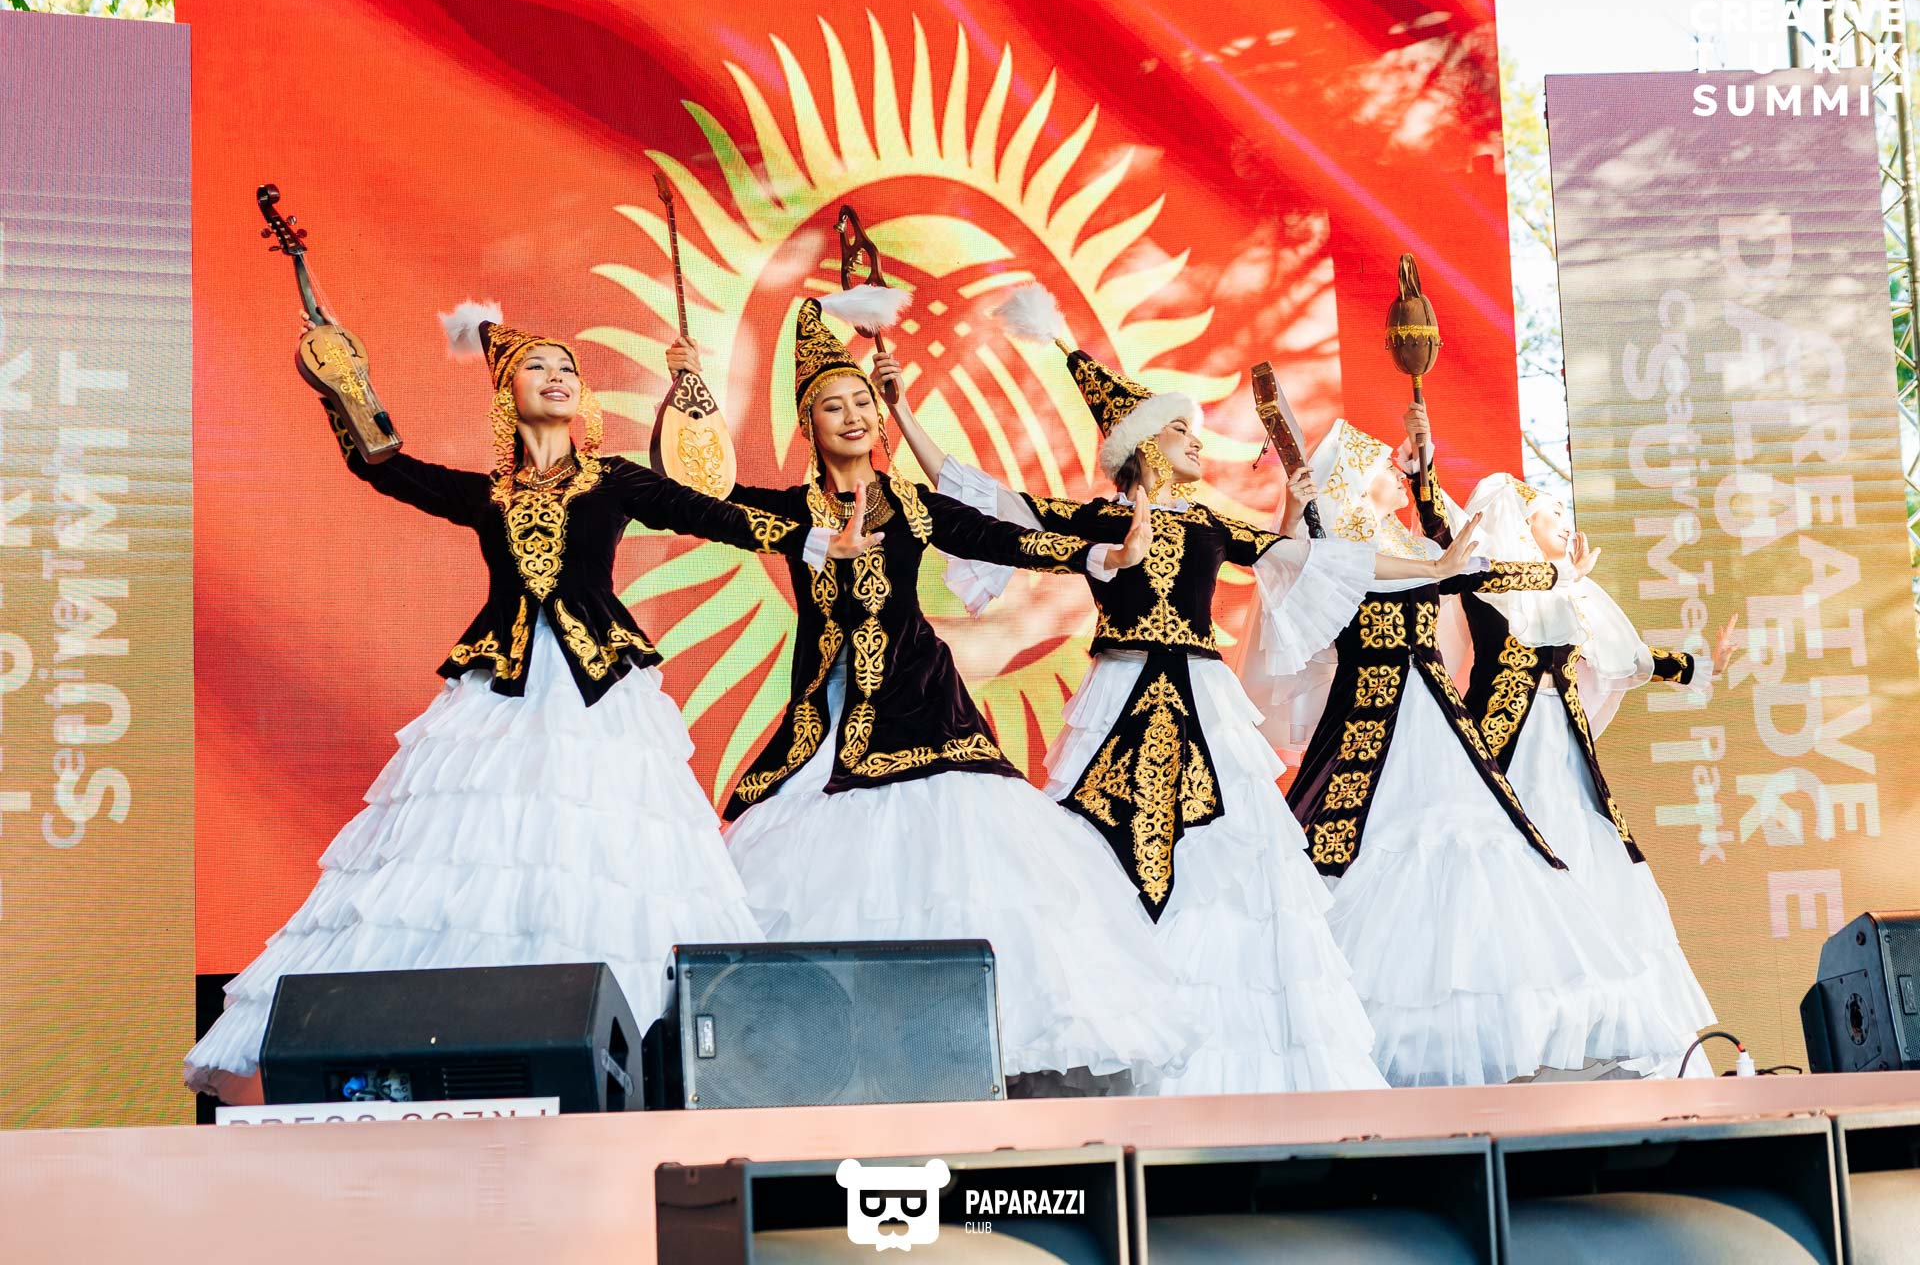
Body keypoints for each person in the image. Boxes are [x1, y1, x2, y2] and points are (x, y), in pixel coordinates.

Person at [184, 306, 853, 1102]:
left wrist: (814, 538)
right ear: (508, 395)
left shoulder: (614, 479)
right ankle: (470, 1048)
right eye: (540, 367)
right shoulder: (488, 495)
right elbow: (386, 466)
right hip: (498, 691)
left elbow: (710, 514)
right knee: (478, 853)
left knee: (600, 853)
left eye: (568, 368)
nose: (559, 377)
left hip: (597, 692)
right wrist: (345, 384)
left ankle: (638, 1061)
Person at [889, 284, 1478, 1093]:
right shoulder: (1098, 523)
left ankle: (1227, 1070)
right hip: (1121, 694)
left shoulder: (1209, 526)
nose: (1197, 442)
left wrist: (1434, 568)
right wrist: (900, 412)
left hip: (1203, 699)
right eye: (1179, 431)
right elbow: (982, 498)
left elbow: (1317, 560)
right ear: (1143, 447)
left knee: (1233, 865)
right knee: (1099, 856)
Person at [679, 293, 1200, 1096]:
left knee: (954, 866)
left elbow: (1005, 538)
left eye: (861, 403)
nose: (853, 416)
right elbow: (697, 492)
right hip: (825, 721)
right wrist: (689, 393)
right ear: (808, 424)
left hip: (923, 703)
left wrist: (1101, 556)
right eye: (832, 406)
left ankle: (951, 1054)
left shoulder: (912, 505)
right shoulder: (791, 511)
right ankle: (840, 1069)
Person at [1240, 412, 1689, 1087]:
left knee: (1479, 846)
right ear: (1352, 480)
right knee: (1374, 852)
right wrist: (1295, 512)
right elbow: (1297, 567)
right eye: (1377, 465)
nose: (1390, 471)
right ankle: (1360, 1039)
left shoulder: (1404, 543)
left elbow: (1474, 569)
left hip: (1435, 713)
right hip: (1369, 718)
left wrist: (1553, 576)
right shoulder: (1339, 548)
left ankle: (1497, 1034)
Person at [1456, 470, 1735, 1077]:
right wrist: (1420, 471)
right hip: (1503, 748)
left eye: (1565, 513)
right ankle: (1523, 1035)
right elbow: (1449, 541)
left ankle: (1594, 1034)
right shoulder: (1489, 582)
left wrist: (1698, 665)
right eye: (1552, 513)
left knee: (1589, 857)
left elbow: (1624, 658)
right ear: (1521, 523)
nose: (1565, 522)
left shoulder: (1575, 591)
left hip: (1563, 747)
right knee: (1513, 869)